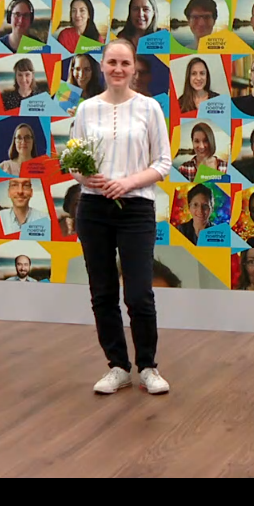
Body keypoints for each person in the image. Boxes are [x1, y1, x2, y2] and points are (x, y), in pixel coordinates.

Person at [67, 38, 174, 395]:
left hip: (136, 208)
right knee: (102, 293)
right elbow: (73, 161)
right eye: (111, 62)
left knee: (139, 293)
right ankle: (117, 366)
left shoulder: (149, 108)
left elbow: (163, 163)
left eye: (125, 63)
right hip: (93, 209)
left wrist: (127, 183)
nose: (118, 69)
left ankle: (148, 366)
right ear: (102, 66)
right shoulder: (86, 109)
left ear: (133, 69)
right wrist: (86, 178)